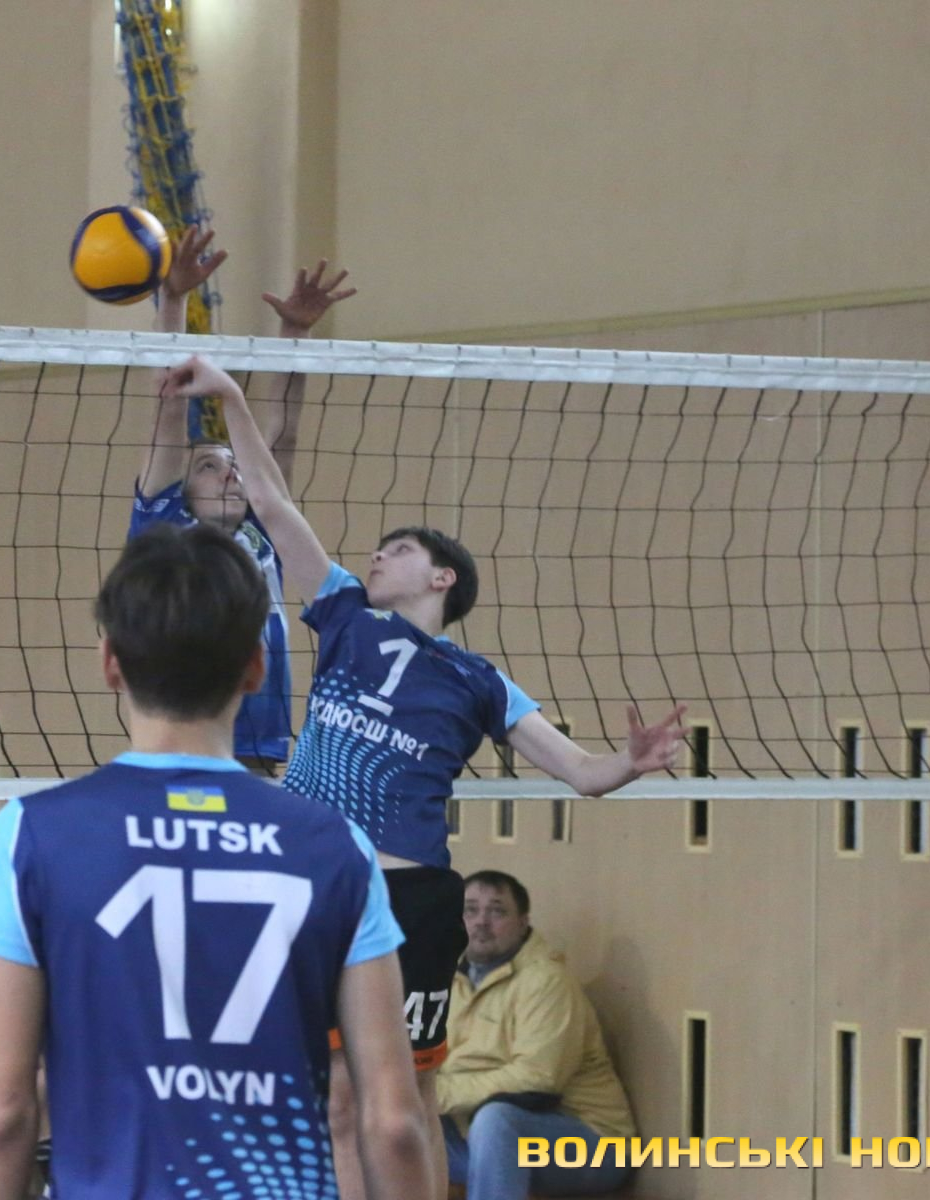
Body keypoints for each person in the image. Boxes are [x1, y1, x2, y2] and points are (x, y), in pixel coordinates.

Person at [162, 354, 688, 1200]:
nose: (376, 554)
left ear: (441, 578)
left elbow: (582, 774)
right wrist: (228, 398)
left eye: (397, 549)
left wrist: (631, 760)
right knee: (334, 1100)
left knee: (409, 1102)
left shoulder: (479, 680)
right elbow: (273, 504)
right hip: (311, 882)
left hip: (409, 901)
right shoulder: (344, 616)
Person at [0, 522, 430, 1200]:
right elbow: (393, 1122)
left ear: (110, 662)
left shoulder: (30, 834)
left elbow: (1, 1111)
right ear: (257, 667)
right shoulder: (334, 845)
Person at [131, 227, 357, 769]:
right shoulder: (163, 525)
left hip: (259, 752)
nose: (230, 474)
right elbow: (168, 405)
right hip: (181, 744)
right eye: (209, 467)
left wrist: (294, 334)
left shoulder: (264, 529)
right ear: (182, 490)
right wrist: (174, 298)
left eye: (233, 465)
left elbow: (283, 433)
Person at [438, 872, 637, 1200]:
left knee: (496, 1121)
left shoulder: (546, 981)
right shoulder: (449, 979)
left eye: (497, 911)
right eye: (470, 910)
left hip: (588, 1143)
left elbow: (538, 1080)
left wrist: (439, 1093)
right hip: (479, 1135)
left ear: (523, 923)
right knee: (388, 1117)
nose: (481, 922)